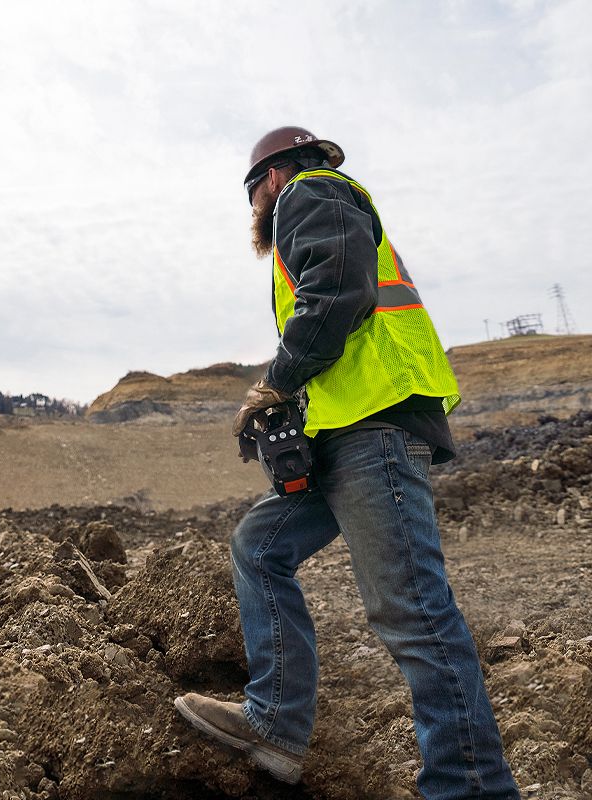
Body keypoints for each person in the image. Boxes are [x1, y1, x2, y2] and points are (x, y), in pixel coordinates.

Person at [173, 126, 520, 799]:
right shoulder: (316, 206)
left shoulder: (311, 192)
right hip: (341, 431)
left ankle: (470, 788)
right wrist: (296, 411)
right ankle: (274, 723)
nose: (255, 213)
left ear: (269, 179)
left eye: (252, 196)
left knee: (411, 611)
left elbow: (336, 292)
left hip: (375, 429)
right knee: (258, 547)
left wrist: (276, 379)